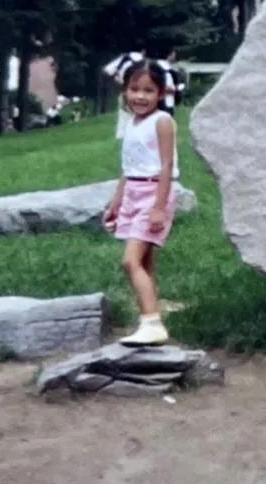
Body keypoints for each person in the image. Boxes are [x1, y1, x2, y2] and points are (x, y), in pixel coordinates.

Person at [101, 60, 180, 346]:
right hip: (133, 192)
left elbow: (166, 165)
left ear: (161, 93)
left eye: (148, 90)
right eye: (134, 89)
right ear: (125, 90)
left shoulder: (162, 121)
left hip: (153, 192)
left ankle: (153, 324)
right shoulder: (132, 123)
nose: (140, 96)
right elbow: (129, 167)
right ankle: (148, 316)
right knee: (144, 263)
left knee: (130, 261)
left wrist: (159, 207)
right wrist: (116, 202)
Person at [103, 49, 145, 139]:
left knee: (123, 118)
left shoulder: (124, 58)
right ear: (143, 51)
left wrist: (118, 80)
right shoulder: (143, 61)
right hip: (139, 92)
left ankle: (122, 138)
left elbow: (107, 71)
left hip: (124, 91)